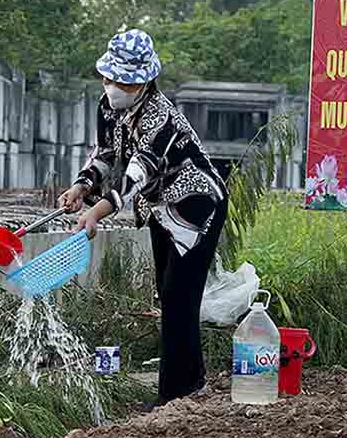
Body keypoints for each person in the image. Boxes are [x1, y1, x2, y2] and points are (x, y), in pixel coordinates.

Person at [59, 29, 229, 406]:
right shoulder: (107, 106)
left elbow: (138, 173)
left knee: (178, 295)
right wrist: (81, 187)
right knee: (168, 294)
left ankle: (174, 394)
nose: (112, 86)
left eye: (122, 81)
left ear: (143, 81)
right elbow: (105, 154)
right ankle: (192, 381)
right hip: (158, 207)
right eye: (108, 78)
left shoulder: (162, 120)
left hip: (195, 207)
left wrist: (97, 212)